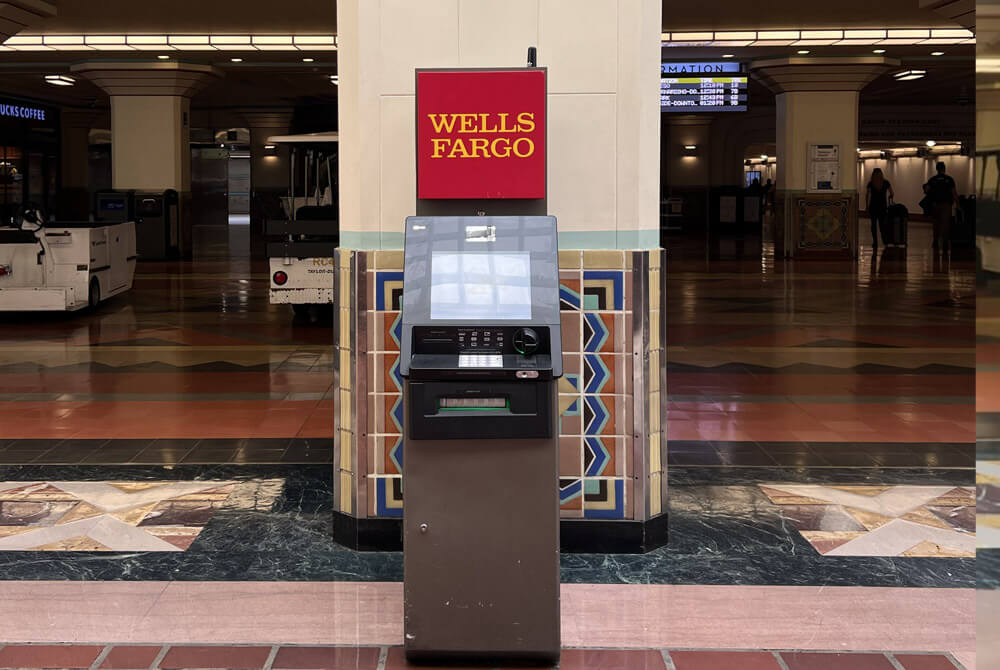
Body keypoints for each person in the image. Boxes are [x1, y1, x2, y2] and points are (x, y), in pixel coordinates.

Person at [923, 161, 959, 251]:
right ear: (944, 169)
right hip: (946, 205)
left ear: (937, 169)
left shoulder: (933, 179)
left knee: (936, 224)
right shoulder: (949, 179)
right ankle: (945, 243)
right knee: (946, 224)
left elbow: (926, 190)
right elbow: (954, 193)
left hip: (935, 205)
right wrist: (958, 204)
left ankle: (935, 241)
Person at [865, 168, 893, 250]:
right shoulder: (886, 183)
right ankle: (884, 241)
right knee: (882, 225)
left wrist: (866, 206)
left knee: (873, 225)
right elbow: (892, 193)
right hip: (882, 207)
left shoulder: (870, 183)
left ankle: (875, 242)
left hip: (873, 206)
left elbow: (867, 195)